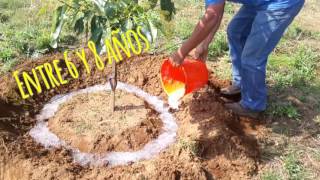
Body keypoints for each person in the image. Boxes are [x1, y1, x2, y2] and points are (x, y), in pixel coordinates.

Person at [169, 0, 305, 118]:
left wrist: (182, 52)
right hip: (258, 2)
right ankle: (241, 84)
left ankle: (252, 105)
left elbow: (211, 16)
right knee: (236, 32)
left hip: (280, 3)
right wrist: (204, 44)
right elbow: (216, 9)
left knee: (252, 56)